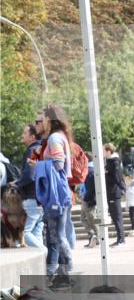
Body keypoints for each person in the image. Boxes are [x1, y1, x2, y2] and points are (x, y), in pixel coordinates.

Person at [30, 105, 75, 282]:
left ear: (49, 120)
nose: (38, 123)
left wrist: (37, 165)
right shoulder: (61, 136)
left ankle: (67, 266)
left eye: (41, 119)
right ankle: (62, 272)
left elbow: (58, 164)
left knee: (56, 235)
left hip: (56, 193)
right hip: (61, 191)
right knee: (58, 233)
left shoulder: (55, 138)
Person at [16, 123, 44, 248]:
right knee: (37, 232)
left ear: (32, 136)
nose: (22, 135)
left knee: (24, 233)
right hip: (41, 197)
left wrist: (16, 185)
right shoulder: (41, 149)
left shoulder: (32, 150)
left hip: (31, 197)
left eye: (24, 133)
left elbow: (29, 175)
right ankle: (45, 264)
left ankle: (45, 252)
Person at [104, 143, 127, 245]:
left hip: (114, 192)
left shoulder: (114, 162)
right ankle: (119, 238)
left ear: (109, 151)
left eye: (104, 150)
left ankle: (121, 239)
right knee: (114, 216)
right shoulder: (110, 161)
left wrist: (123, 188)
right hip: (111, 192)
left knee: (117, 216)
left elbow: (117, 177)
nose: (103, 153)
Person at [80, 154, 99, 247]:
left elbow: (92, 188)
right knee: (83, 219)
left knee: (92, 220)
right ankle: (93, 236)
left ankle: (97, 238)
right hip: (86, 198)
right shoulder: (89, 170)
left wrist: (90, 199)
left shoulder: (90, 171)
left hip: (89, 199)